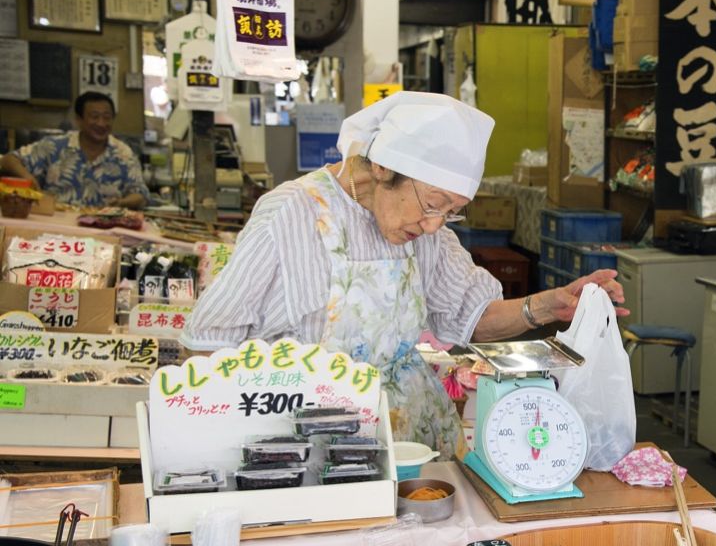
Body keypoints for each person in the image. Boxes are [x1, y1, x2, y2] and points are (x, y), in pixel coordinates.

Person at [181, 91, 626, 454]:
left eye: (452, 212)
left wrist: (551, 304)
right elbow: (209, 344)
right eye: (432, 204)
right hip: (306, 445)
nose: (433, 225)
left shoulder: (428, 233)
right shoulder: (291, 213)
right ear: (382, 166)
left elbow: (470, 317)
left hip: (411, 440)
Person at [0, 92, 149, 209]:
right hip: (54, 226)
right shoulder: (54, 146)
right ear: (79, 119)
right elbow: (9, 160)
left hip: (103, 228)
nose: (101, 123)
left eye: (107, 117)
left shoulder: (124, 153)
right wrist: (29, 179)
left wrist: (122, 203)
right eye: (94, 117)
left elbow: (140, 194)